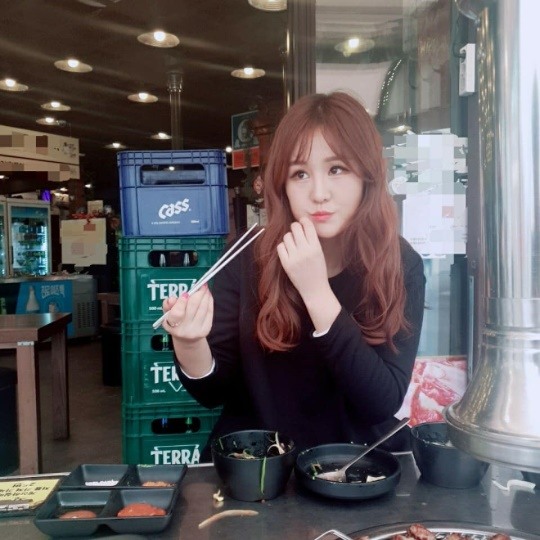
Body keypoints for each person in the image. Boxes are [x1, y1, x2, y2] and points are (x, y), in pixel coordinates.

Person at [162, 91, 426, 459]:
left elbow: (380, 402)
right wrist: (189, 342)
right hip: (258, 463)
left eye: (337, 169)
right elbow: (212, 393)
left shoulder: (398, 263)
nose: (319, 193)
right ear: (282, 186)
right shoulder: (248, 257)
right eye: (300, 174)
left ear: (367, 175)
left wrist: (316, 291)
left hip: (354, 466)